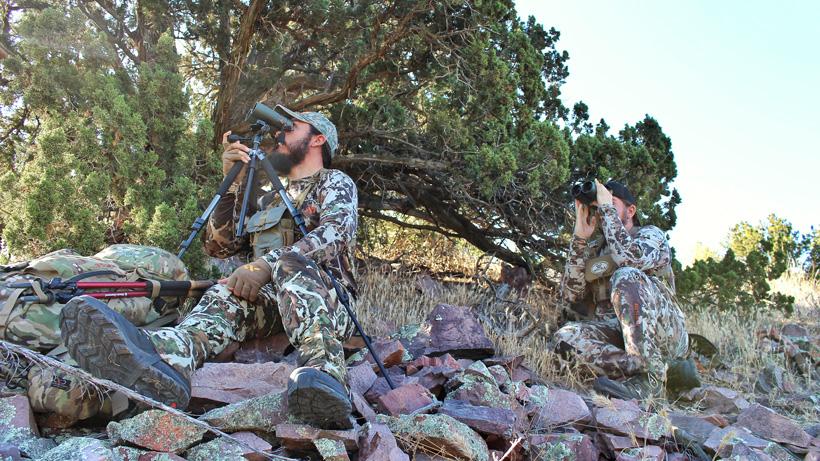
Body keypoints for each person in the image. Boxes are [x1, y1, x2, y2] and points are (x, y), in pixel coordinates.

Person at [61, 105, 359, 428]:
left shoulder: (334, 183)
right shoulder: (270, 197)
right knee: (225, 292)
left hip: (328, 301)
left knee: (289, 263)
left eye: (291, 125)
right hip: (276, 304)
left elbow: (336, 233)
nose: (279, 132)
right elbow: (219, 246)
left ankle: (326, 377)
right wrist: (233, 184)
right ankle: (167, 358)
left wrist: (265, 264)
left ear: (316, 140)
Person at [552, 179, 697, 400]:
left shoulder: (651, 236)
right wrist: (580, 238)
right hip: (620, 335)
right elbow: (571, 297)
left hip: (663, 332)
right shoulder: (596, 250)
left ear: (631, 210)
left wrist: (606, 209)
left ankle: (650, 381)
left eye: (610, 202)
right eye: (598, 205)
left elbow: (629, 258)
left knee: (626, 275)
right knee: (564, 337)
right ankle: (655, 371)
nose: (601, 209)